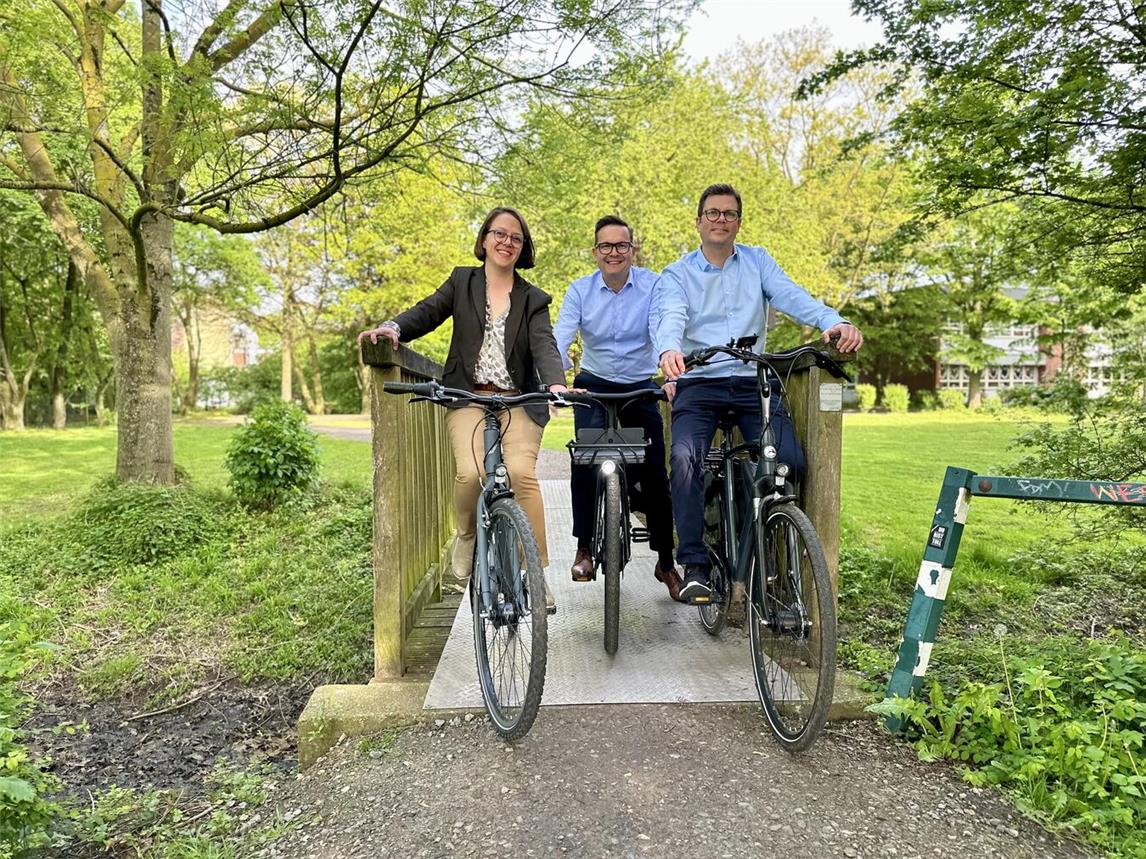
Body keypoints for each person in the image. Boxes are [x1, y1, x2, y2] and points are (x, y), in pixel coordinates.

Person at [655, 184, 864, 605]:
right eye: (712, 213)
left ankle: (754, 548)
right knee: (683, 460)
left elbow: (792, 296)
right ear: (698, 221)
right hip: (700, 383)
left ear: (738, 222)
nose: (720, 220)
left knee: (787, 461)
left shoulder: (758, 261)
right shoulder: (677, 274)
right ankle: (695, 563)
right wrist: (669, 348)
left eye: (729, 214)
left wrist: (832, 321)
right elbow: (670, 314)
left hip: (753, 382)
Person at [359, 207, 567, 613]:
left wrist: (555, 381)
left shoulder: (533, 299)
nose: (507, 242)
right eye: (500, 234)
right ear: (485, 239)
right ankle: (468, 536)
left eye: (516, 238)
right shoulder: (461, 281)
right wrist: (394, 329)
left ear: (523, 248)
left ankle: (535, 575)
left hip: (518, 400)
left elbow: (544, 343)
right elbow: (427, 311)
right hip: (469, 397)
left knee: (522, 475)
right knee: (471, 473)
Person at [554, 216, 684, 602]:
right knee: (584, 463)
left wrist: (668, 365)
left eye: (621, 245)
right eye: (606, 246)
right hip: (592, 384)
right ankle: (584, 549)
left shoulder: (653, 284)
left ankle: (665, 561)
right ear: (596, 252)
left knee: (656, 474)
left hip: (640, 384)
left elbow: (662, 326)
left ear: (631, 250)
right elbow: (562, 335)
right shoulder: (579, 290)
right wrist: (554, 380)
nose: (613, 252)